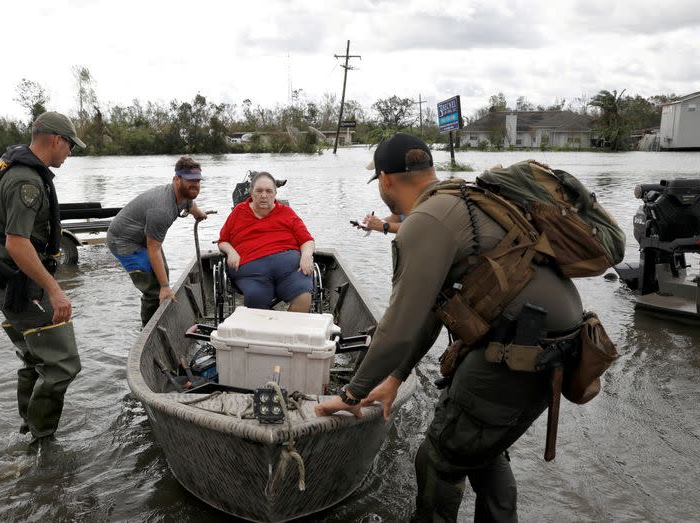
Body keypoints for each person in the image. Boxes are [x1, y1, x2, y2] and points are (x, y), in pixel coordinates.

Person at [315, 133, 584, 522]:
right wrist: (396, 377)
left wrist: (352, 394)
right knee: (481, 450)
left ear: (386, 180)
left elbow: (398, 327)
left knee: (440, 456)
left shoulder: (423, 222)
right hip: (555, 343)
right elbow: (429, 313)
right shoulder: (465, 197)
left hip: (520, 350)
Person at [0, 111, 86, 444]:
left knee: (34, 359)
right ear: (56, 139)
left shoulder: (19, 171)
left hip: (13, 286)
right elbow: (17, 243)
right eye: (70, 145)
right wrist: (54, 290)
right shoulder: (26, 180)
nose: (70, 152)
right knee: (63, 364)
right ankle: (43, 442)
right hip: (25, 290)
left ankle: (29, 433)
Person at [107, 156, 207, 326]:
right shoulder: (162, 209)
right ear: (176, 179)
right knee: (154, 289)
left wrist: (198, 213)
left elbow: (190, 204)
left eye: (198, 181)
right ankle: (147, 328)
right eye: (190, 181)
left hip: (143, 237)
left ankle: (161, 314)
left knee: (163, 275)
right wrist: (165, 287)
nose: (195, 185)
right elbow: (153, 250)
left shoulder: (185, 194)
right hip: (124, 242)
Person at [217, 171, 315, 312]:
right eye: (259, 191)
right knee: (256, 299)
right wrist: (231, 252)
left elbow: (307, 240)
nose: (264, 195)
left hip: (290, 270)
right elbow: (223, 240)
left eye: (269, 191)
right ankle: (266, 329)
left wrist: (306, 256)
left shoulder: (286, 212)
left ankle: (286, 332)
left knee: (303, 296)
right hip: (252, 272)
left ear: (275, 194)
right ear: (251, 193)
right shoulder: (239, 212)